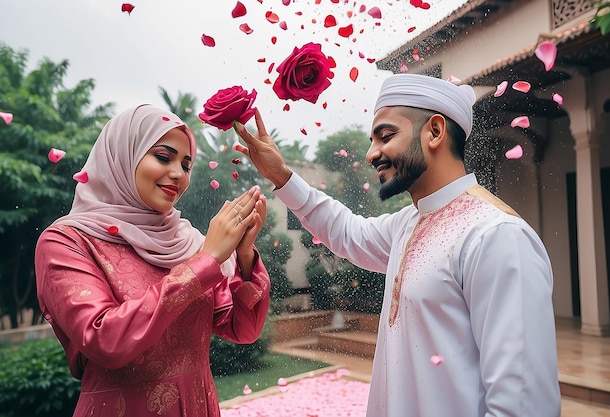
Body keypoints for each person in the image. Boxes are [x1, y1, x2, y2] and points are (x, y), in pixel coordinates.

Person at [235, 74, 561, 416]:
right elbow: (348, 232)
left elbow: (523, 405)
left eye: (386, 136)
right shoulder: (409, 223)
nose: (371, 153)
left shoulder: (496, 237)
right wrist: (281, 176)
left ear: (434, 132)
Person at [35, 104, 271, 417]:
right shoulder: (68, 241)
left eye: (186, 165)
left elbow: (243, 330)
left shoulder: (185, 241)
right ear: (123, 156)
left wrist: (243, 254)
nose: (178, 174)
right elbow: (105, 338)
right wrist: (207, 260)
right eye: (163, 156)